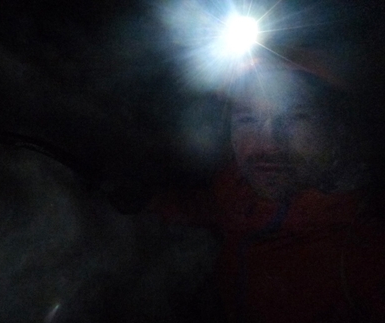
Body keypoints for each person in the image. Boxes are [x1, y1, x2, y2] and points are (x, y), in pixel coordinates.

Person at [149, 58, 385, 323]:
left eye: (296, 118)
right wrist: (146, 203)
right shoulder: (239, 187)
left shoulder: (363, 248)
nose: (268, 144)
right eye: (247, 119)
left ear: (337, 127)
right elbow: (212, 208)